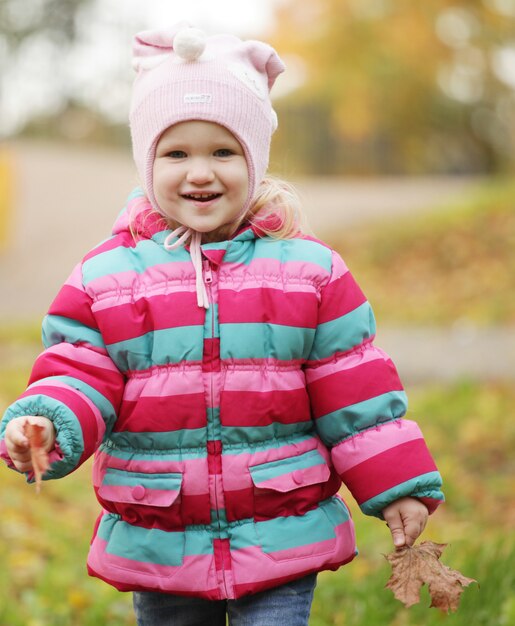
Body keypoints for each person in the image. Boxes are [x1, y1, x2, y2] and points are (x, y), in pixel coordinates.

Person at [0, 24, 444, 626]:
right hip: (161, 529)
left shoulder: (310, 272)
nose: (200, 173)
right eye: (177, 153)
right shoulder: (106, 276)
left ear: (255, 159)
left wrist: (398, 483)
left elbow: (355, 387)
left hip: (281, 525)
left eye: (223, 152)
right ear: (147, 160)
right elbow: (79, 370)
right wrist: (49, 421)